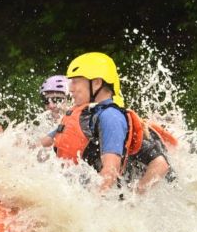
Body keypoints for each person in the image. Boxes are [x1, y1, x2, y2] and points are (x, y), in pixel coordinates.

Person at [47, 52, 173, 194]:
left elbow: (111, 172)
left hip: (148, 187)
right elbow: (44, 142)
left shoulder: (111, 117)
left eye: (75, 81)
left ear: (96, 83)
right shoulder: (83, 114)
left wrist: (134, 200)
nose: (70, 88)